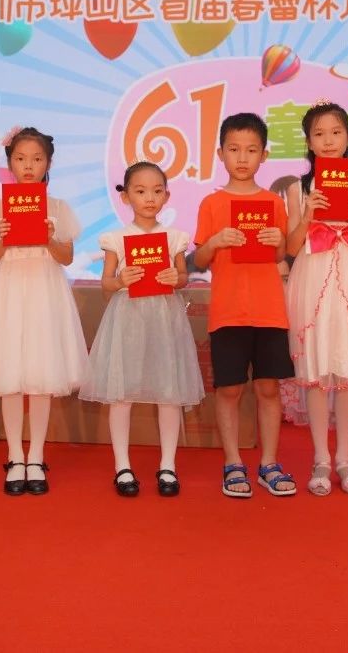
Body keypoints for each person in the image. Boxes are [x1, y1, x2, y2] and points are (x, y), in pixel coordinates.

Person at [0, 126, 88, 496]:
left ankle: (37, 456)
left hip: (45, 290)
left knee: (43, 376)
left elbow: (66, 257)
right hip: (9, 291)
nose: (28, 166)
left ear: (48, 163)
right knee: (10, 377)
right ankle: (15, 455)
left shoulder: (58, 208)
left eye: (36, 159)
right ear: (10, 162)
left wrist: (48, 237)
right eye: (20, 159)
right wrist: (1, 236)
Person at [79, 162, 205, 497]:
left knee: (169, 392)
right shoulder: (116, 239)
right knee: (122, 393)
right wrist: (120, 279)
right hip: (128, 318)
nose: (149, 198)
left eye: (157, 191)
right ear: (126, 197)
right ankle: (122, 466)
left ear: (166, 196)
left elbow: (183, 277)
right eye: (140, 191)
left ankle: (168, 465)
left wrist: (176, 278)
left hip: (164, 318)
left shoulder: (175, 238)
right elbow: (106, 284)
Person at [193, 112, 297, 498]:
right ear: (220, 153)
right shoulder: (211, 203)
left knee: (268, 388)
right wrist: (215, 242)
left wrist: (279, 243)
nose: (242, 157)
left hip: (269, 311)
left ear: (264, 155)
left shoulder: (273, 202)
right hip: (228, 311)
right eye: (234, 149)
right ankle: (233, 462)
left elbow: (279, 256)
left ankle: (269, 463)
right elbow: (200, 259)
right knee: (229, 390)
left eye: (251, 150)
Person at [283, 101, 348, 496]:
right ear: (308, 141)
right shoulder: (298, 188)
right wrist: (309, 215)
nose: (328, 140)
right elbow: (292, 247)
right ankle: (320, 459)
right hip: (313, 279)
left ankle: (344, 458)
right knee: (316, 368)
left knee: (346, 371)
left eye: (336, 132)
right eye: (319, 134)